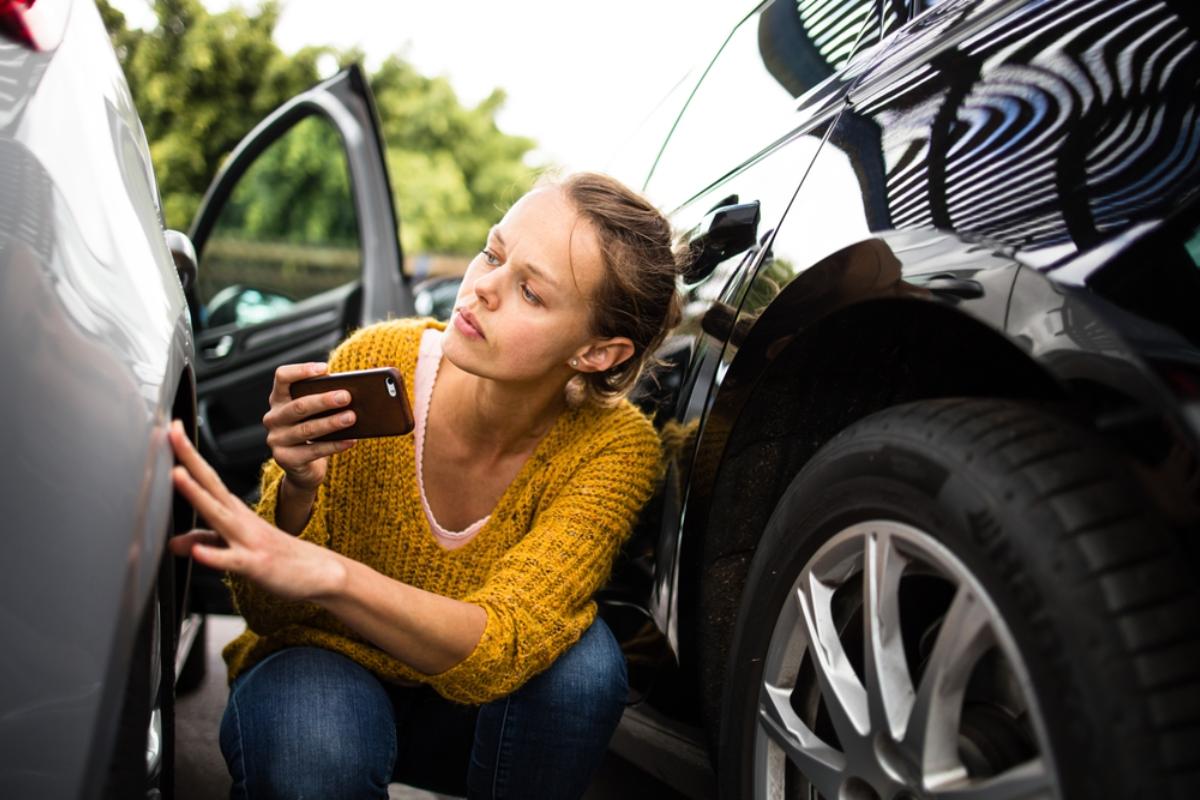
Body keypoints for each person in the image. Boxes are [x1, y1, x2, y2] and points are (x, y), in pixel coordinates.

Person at [166, 172, 684, 799]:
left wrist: (332, 573)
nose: (482, 288)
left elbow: (503, 645)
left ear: (598, 353)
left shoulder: (614, 447)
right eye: (492, 253)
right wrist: (298, 489)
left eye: (530, 292)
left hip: (469, 712)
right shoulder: (377, 360)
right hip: (319, 667)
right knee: (314, 749)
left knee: (587, 666)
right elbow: (268, 611)